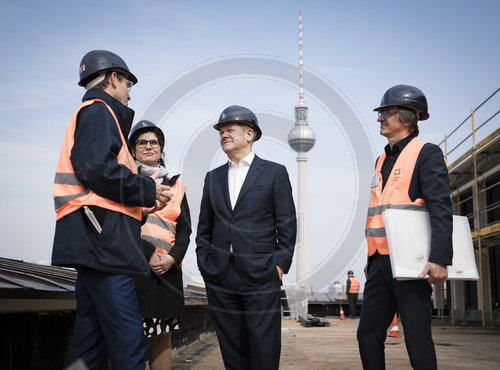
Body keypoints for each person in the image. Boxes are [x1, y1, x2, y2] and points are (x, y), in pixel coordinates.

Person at [52, 50, 171, 370]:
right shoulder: (100, 111)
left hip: (91, 236)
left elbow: (96, 177)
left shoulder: (92, 113)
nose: (131, 91)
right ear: (114, 79)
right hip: (103, 241)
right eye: (129, 82)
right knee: (127, 337)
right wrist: (146, 190)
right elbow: (98, 171)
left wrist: (141, 201)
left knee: (88, 340)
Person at [357, 85, 453, 369]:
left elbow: (440, 208)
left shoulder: (427, 154)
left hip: (412, 264)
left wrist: (439, 258)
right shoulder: (381, 160)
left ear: (407, 118)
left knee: (417, 337)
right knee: (367, 334)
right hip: (379, 262)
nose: (379, 118)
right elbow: (380, 212)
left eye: (386, 112)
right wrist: (370, 259)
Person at [196, 105, 297, 370]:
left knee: (264, 348)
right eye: (221, 131)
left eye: (230, 130)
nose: (224, 135)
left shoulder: (275, 172)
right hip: (219, 274)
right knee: (232, 350)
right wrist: (205, 265)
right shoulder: (213, 178)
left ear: (250, 134)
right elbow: (204, 228)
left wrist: (279, 266)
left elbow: (286, 223)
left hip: (261, 273)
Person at [128, 120, 192, 370]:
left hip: (168, 269)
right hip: (134, 266)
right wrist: (149, 253)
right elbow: (119, 223)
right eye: (141, 142)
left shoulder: (176, 185)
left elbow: (185, 230)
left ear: (161, 148)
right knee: (128, 334)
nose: (148, 146)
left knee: (162, 334)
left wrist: (172, 258)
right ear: (132, 148)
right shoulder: (125, 180)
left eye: (154, 142)